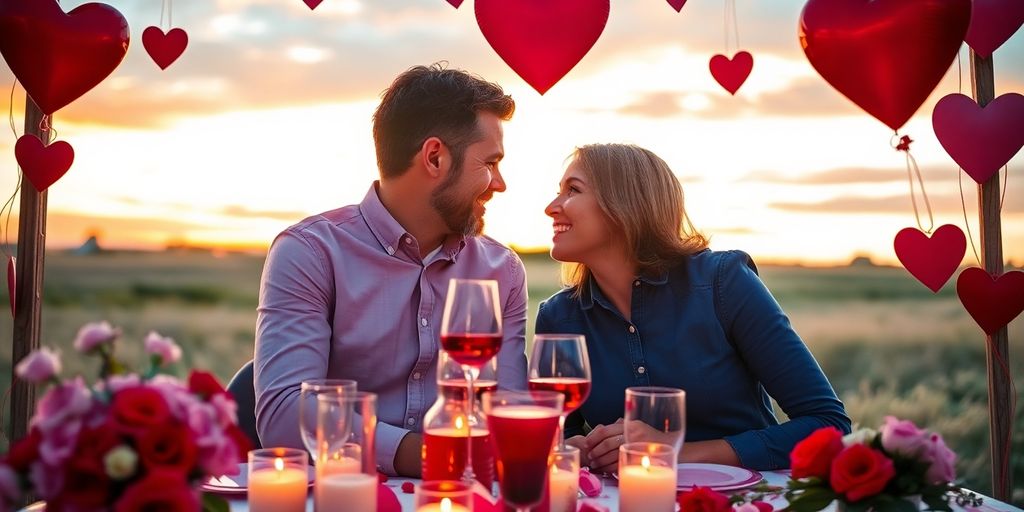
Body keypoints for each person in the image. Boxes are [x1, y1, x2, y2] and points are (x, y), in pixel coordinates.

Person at [254, 63, 528, 477]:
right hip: (345, 496)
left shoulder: (501, 270)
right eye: (490, 163)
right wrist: (428, 456)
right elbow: (284, 415)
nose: (499, 183)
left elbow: (506, 412)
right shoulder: (309, 252)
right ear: (435, 157)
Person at [536, 143, 851, 472]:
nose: (551, 207)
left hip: (747, 501)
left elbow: (828, 424)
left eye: (572, 189)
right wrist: (573, 448)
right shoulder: (559, 317)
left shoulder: (723, 282)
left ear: (625, 203)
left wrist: (674, 452)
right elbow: (559, 431)